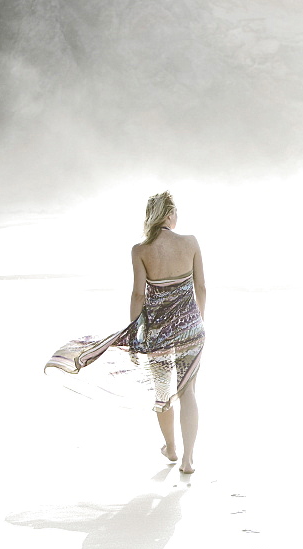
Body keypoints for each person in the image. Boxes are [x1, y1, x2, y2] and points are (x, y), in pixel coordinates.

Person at [45, 192, 206, 473]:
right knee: (188, 390)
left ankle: (170, 448)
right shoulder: (190, 242)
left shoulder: (141, 250)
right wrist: (198, 322)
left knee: (163, 390)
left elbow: (137, 295)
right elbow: (201, 288)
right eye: (176, 212)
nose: (177, 217)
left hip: (157, 331)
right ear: (168, 214)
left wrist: (135, 335)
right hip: (191, 328)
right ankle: (188, 459)